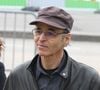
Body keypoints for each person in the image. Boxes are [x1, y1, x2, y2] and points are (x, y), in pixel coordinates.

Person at [3, 6, 100, 90]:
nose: (41, 39)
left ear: (66, 39)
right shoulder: (18, 76)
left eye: (50, 33)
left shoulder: (88, 79)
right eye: (38, 31)